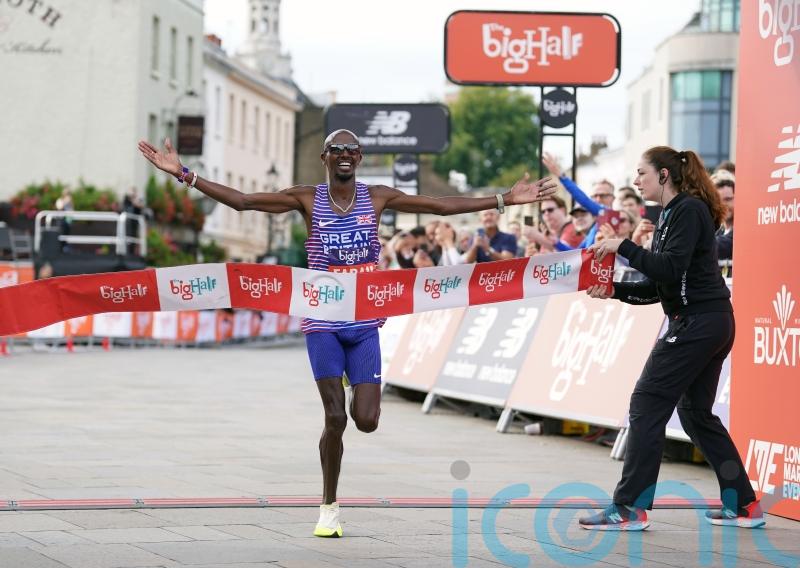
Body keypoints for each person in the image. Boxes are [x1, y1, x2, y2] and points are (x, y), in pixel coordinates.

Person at [137, 131, 557, 538]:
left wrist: (504, 199)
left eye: (351, 149)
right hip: (321, 320)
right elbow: (245, 202)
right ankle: (329, 507)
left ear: (358, 157)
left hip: (363, 322)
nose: (344, 154)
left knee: (366, 421)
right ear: (325, 157)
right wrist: (184, 174)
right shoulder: (307, 197)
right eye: (335, 148)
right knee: (334, 417)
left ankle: (355, 387)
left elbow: (439, 206)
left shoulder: (377, 197)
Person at [579, 146, 762, 531]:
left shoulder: (688, 209)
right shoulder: (673, 213)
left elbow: (668, 266)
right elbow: (657, 284)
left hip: (699, 323)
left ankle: (629, 508)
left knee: (646, 404)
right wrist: (612, 289)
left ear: (664, 175)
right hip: (704, 321)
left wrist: (623, 247)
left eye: (641, 173)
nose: (635, 180)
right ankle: (743, 505)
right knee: (696, 415)